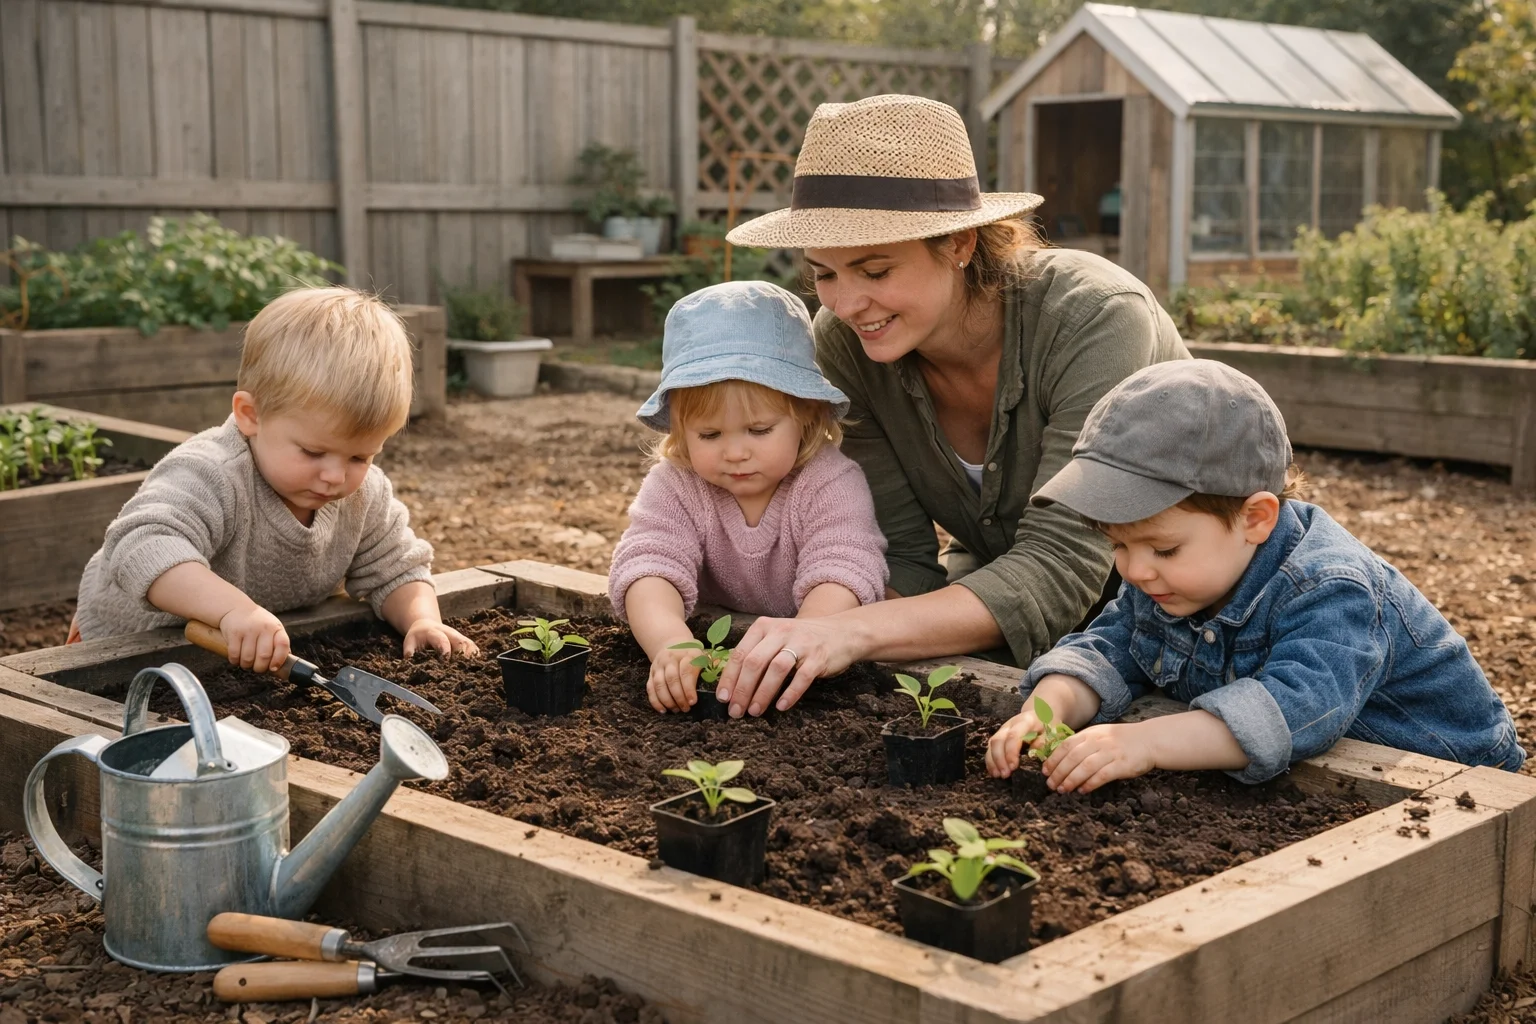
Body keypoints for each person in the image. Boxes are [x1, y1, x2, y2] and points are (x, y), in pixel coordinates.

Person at [715, 93, 1189, 719]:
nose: (847, 301)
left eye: (875, 270)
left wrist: (849, 634)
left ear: (960, 242)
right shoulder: (845, 346)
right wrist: (797, 632)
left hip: (1198, 620)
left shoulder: (1093, 318)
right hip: (1015, 619)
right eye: (824, 272)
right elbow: (903, 557)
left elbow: (1063, 565)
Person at [985, 360, 1525, 792]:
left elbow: (1290, 711)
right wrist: (1045, 709)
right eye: (1117, 545)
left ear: (1256, 519)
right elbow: (1109, 647)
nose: (1135, 569)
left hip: (1447, 776)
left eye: (1164, 547)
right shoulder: (1165, 577)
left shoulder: (1332, 590)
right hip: (1328, 770)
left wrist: (1145, 743)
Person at [72, 286, 477, 668]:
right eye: (313, 452)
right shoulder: (212, 472)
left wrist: (421, 619)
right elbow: (142, 545)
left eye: (360, 455)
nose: (335, 476)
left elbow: (397, 567)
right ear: (251, 415)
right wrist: (233, 610)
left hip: (230, 656)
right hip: (120, 654)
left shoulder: (364, 496)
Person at [608, 281, 888, 714]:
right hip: (718, 649)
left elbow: (844, 568)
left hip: (806, 663)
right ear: (680, 431)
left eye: (759, 430)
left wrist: (798, 640)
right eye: (709, 434)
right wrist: (671, 642)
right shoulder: (677, 484)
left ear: (807, 415)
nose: (735, 452)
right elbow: (648, 564)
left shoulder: (830, 482)